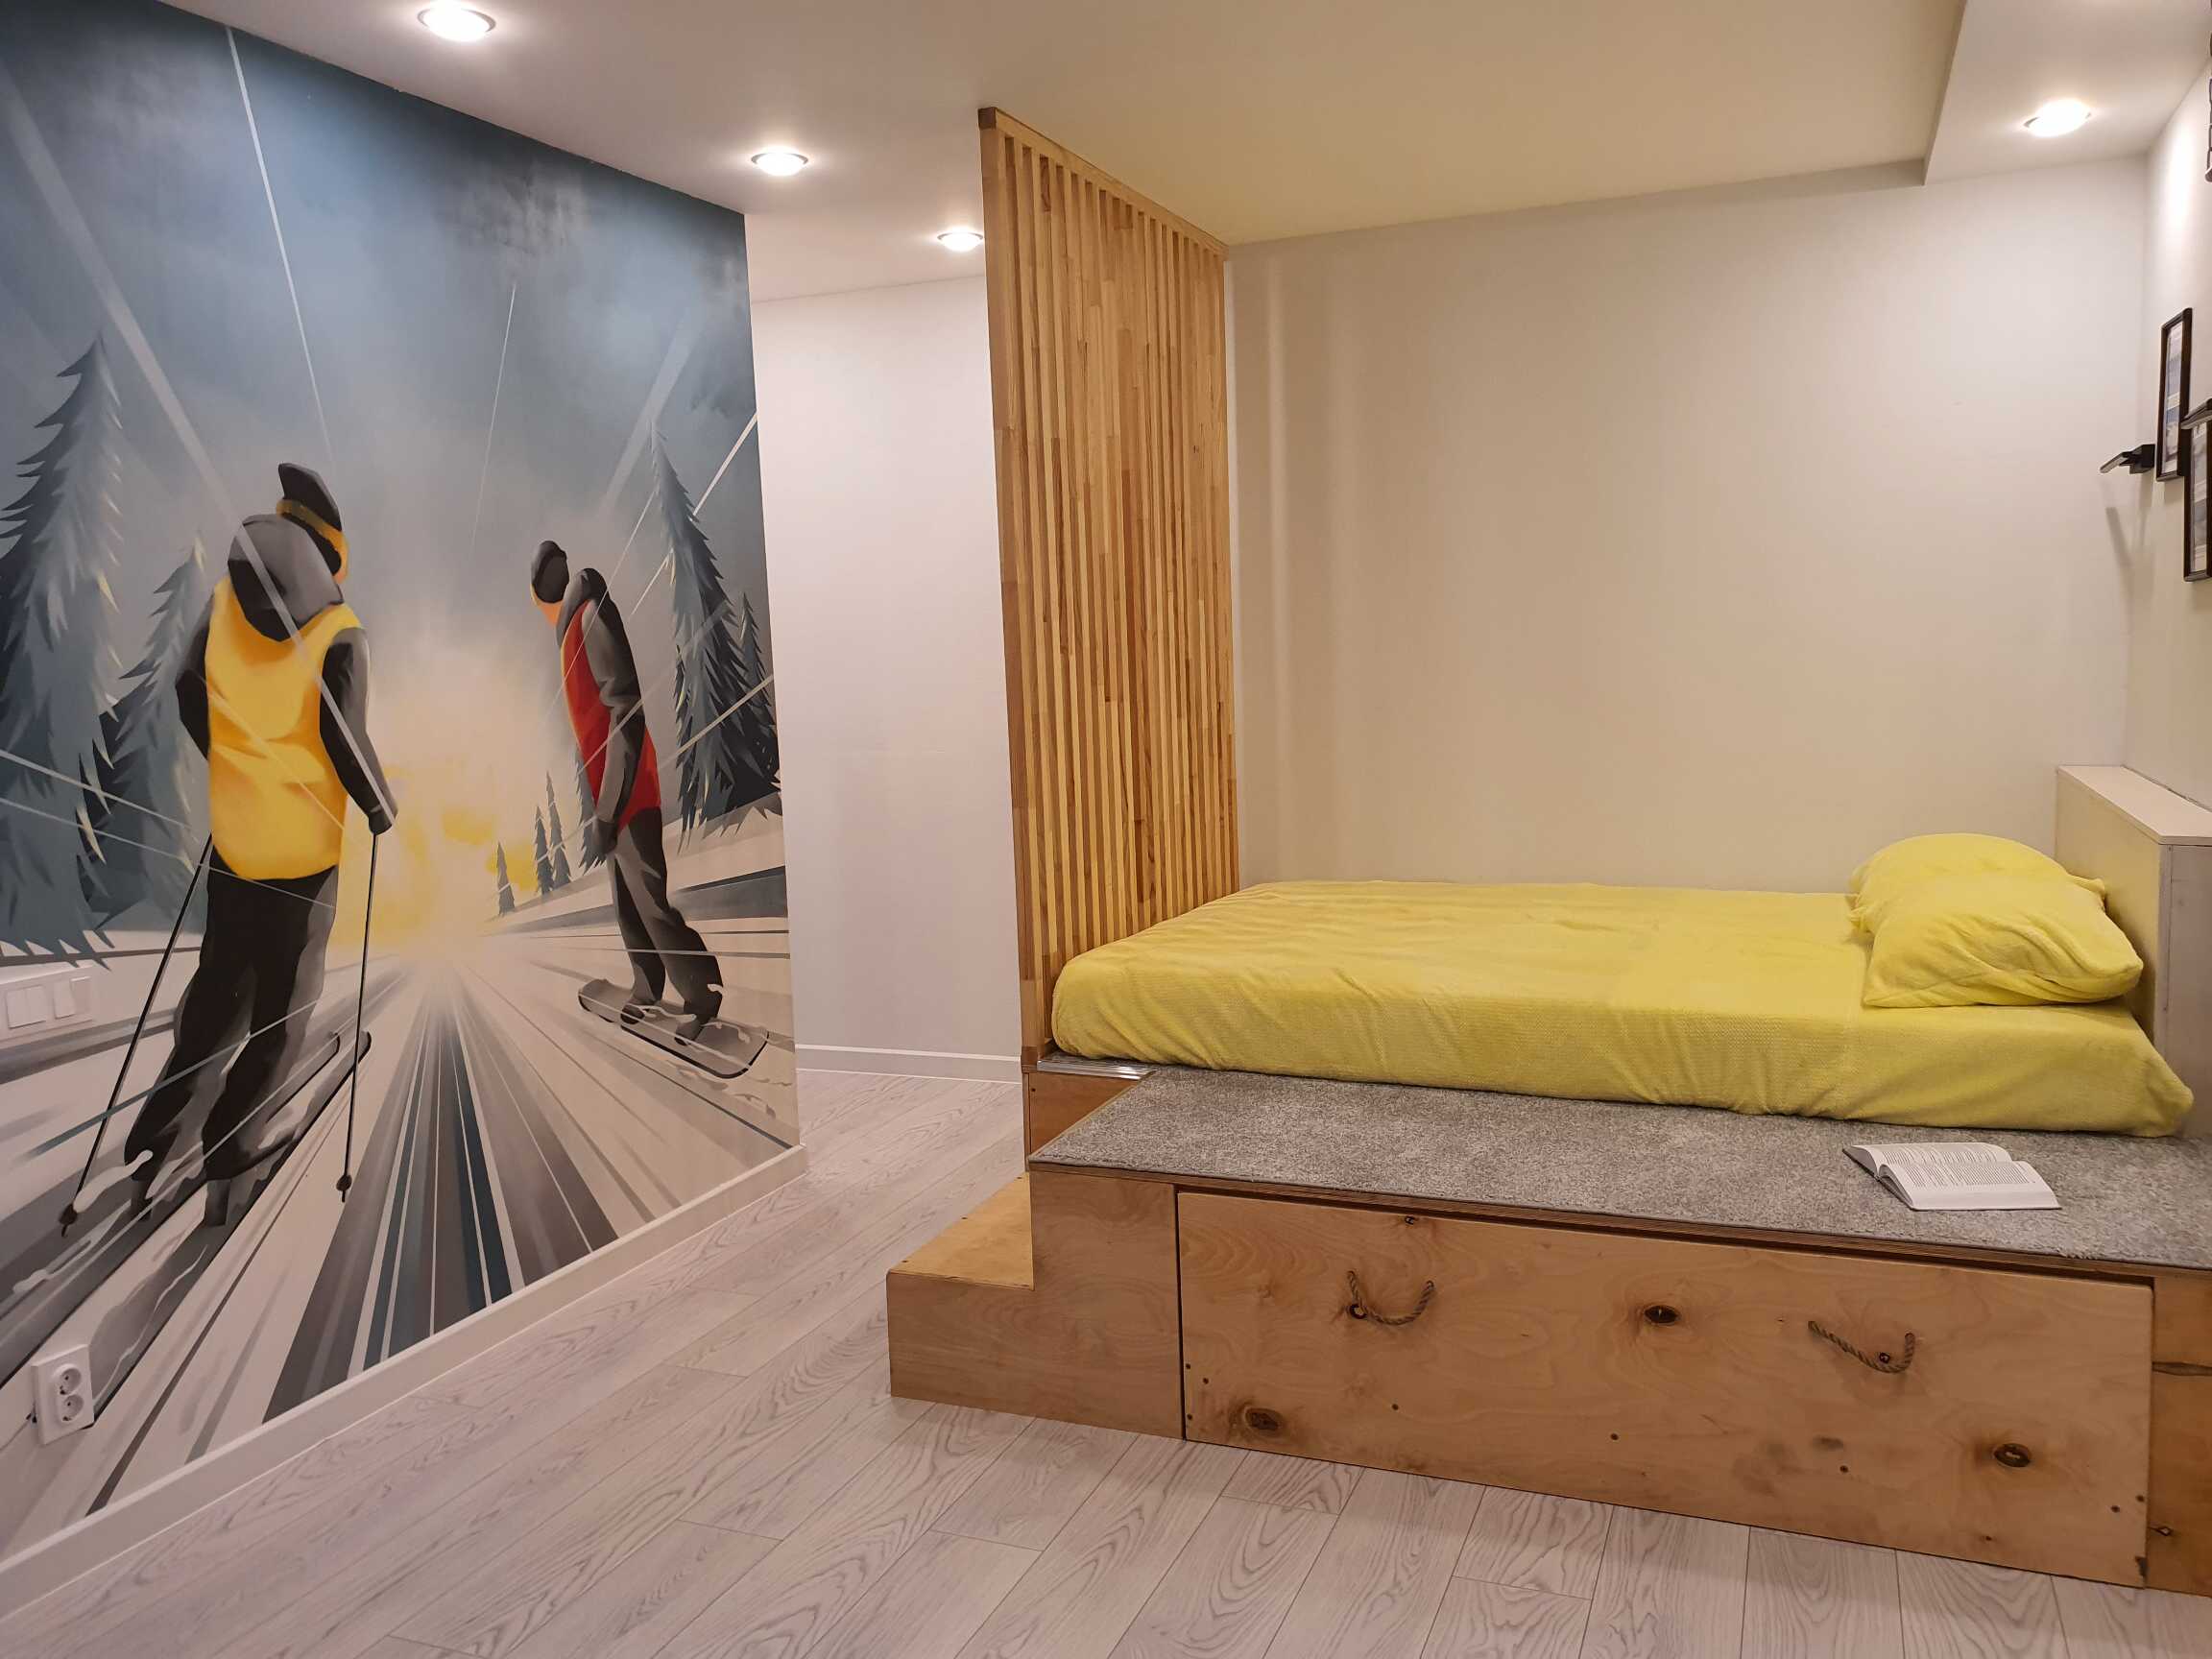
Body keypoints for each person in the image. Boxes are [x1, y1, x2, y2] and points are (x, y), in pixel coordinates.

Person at [126, 465, 396, 1205]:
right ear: (331, 555)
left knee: (218, 988)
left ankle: (159, 1131)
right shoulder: (339, 630)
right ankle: (234, 1143)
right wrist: (379, 808)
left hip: (237, 843)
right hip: (303, 856)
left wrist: (234, 764)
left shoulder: (223, 602)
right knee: (283, 1004)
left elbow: (189, 688)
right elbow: (343, 738)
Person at [531, 539, 722, 1038]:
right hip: (612, 796)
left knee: (650, 901)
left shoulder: (589, 616)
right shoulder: (569, 634)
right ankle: (647, 985)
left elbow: (625, 712)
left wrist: (609, 808)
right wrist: (601, 807)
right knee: (628, 903)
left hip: (629, 791)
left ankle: (701, 994)